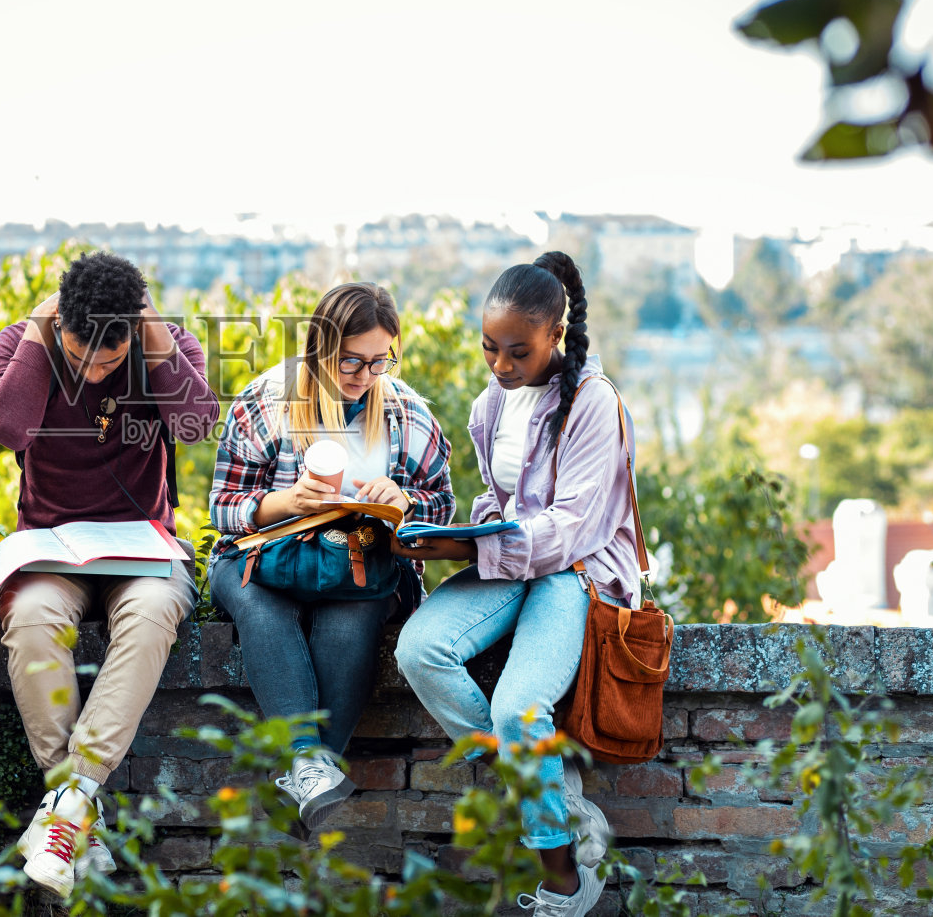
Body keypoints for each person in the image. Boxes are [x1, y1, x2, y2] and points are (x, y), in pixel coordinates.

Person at [393, 251, 638, 917]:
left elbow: (572, 526)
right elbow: (502, 500)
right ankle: (543, 786)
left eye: (518, 352)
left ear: (556, 335)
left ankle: (565, 874)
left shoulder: (595, 401)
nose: (502, 366)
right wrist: (455, 536)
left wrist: (491, 541)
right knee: (419, 650)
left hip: (577, 569)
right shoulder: (487, 406)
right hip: (512, 559)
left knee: (517, 708)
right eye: (489, 349)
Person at [0, 250, 219, 898]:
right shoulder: (24, 343)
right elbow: (4, 425)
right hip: (51, 546)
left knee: (151, 615)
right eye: (80, 354)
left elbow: (198, 422)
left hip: (142, 544)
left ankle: (68, 803)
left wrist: (156, 337)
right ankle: (78, 816)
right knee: (29, 621)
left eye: (107, 362)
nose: (91, 370)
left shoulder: (164, 346)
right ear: (60, 326)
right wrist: (38, 329)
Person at [208, 282, 455, 831]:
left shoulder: (407, 414)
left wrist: (406, 500)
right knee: (262, 610)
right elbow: (222, 510)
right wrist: (286, 501)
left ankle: (307, 774)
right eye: (350, 361)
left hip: (360, 567)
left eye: (378, 362)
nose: (365, 377)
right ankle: (312, 768)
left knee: (356, 613)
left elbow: (443, 507)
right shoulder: (267, 401)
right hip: (264, 560)